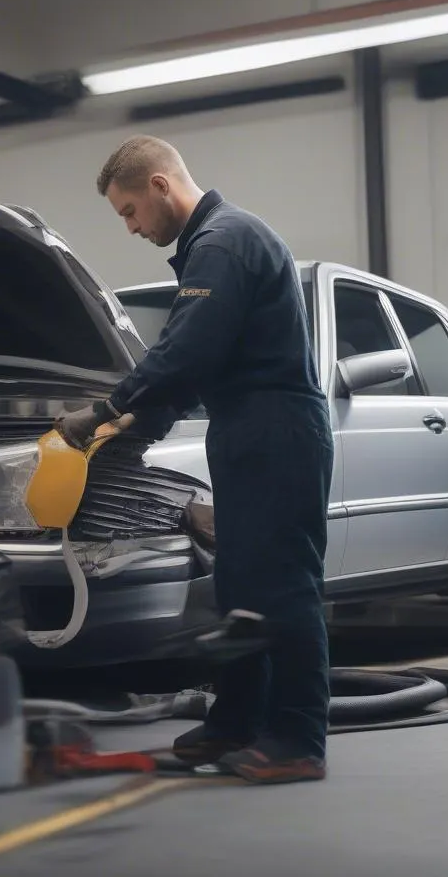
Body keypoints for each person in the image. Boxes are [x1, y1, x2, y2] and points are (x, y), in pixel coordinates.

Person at [55, 135, 334, 785]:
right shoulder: (210, 247)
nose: (129, 228)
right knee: (239, 586)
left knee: (284, 585)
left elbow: (186, 352)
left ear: (159, 186)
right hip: (244, 427)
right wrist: (137, 430)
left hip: (276, 427)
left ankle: (297, 738)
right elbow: (195, 370)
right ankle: (238, 722)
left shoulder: (223, 242)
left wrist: (103, 411)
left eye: (128, 211)